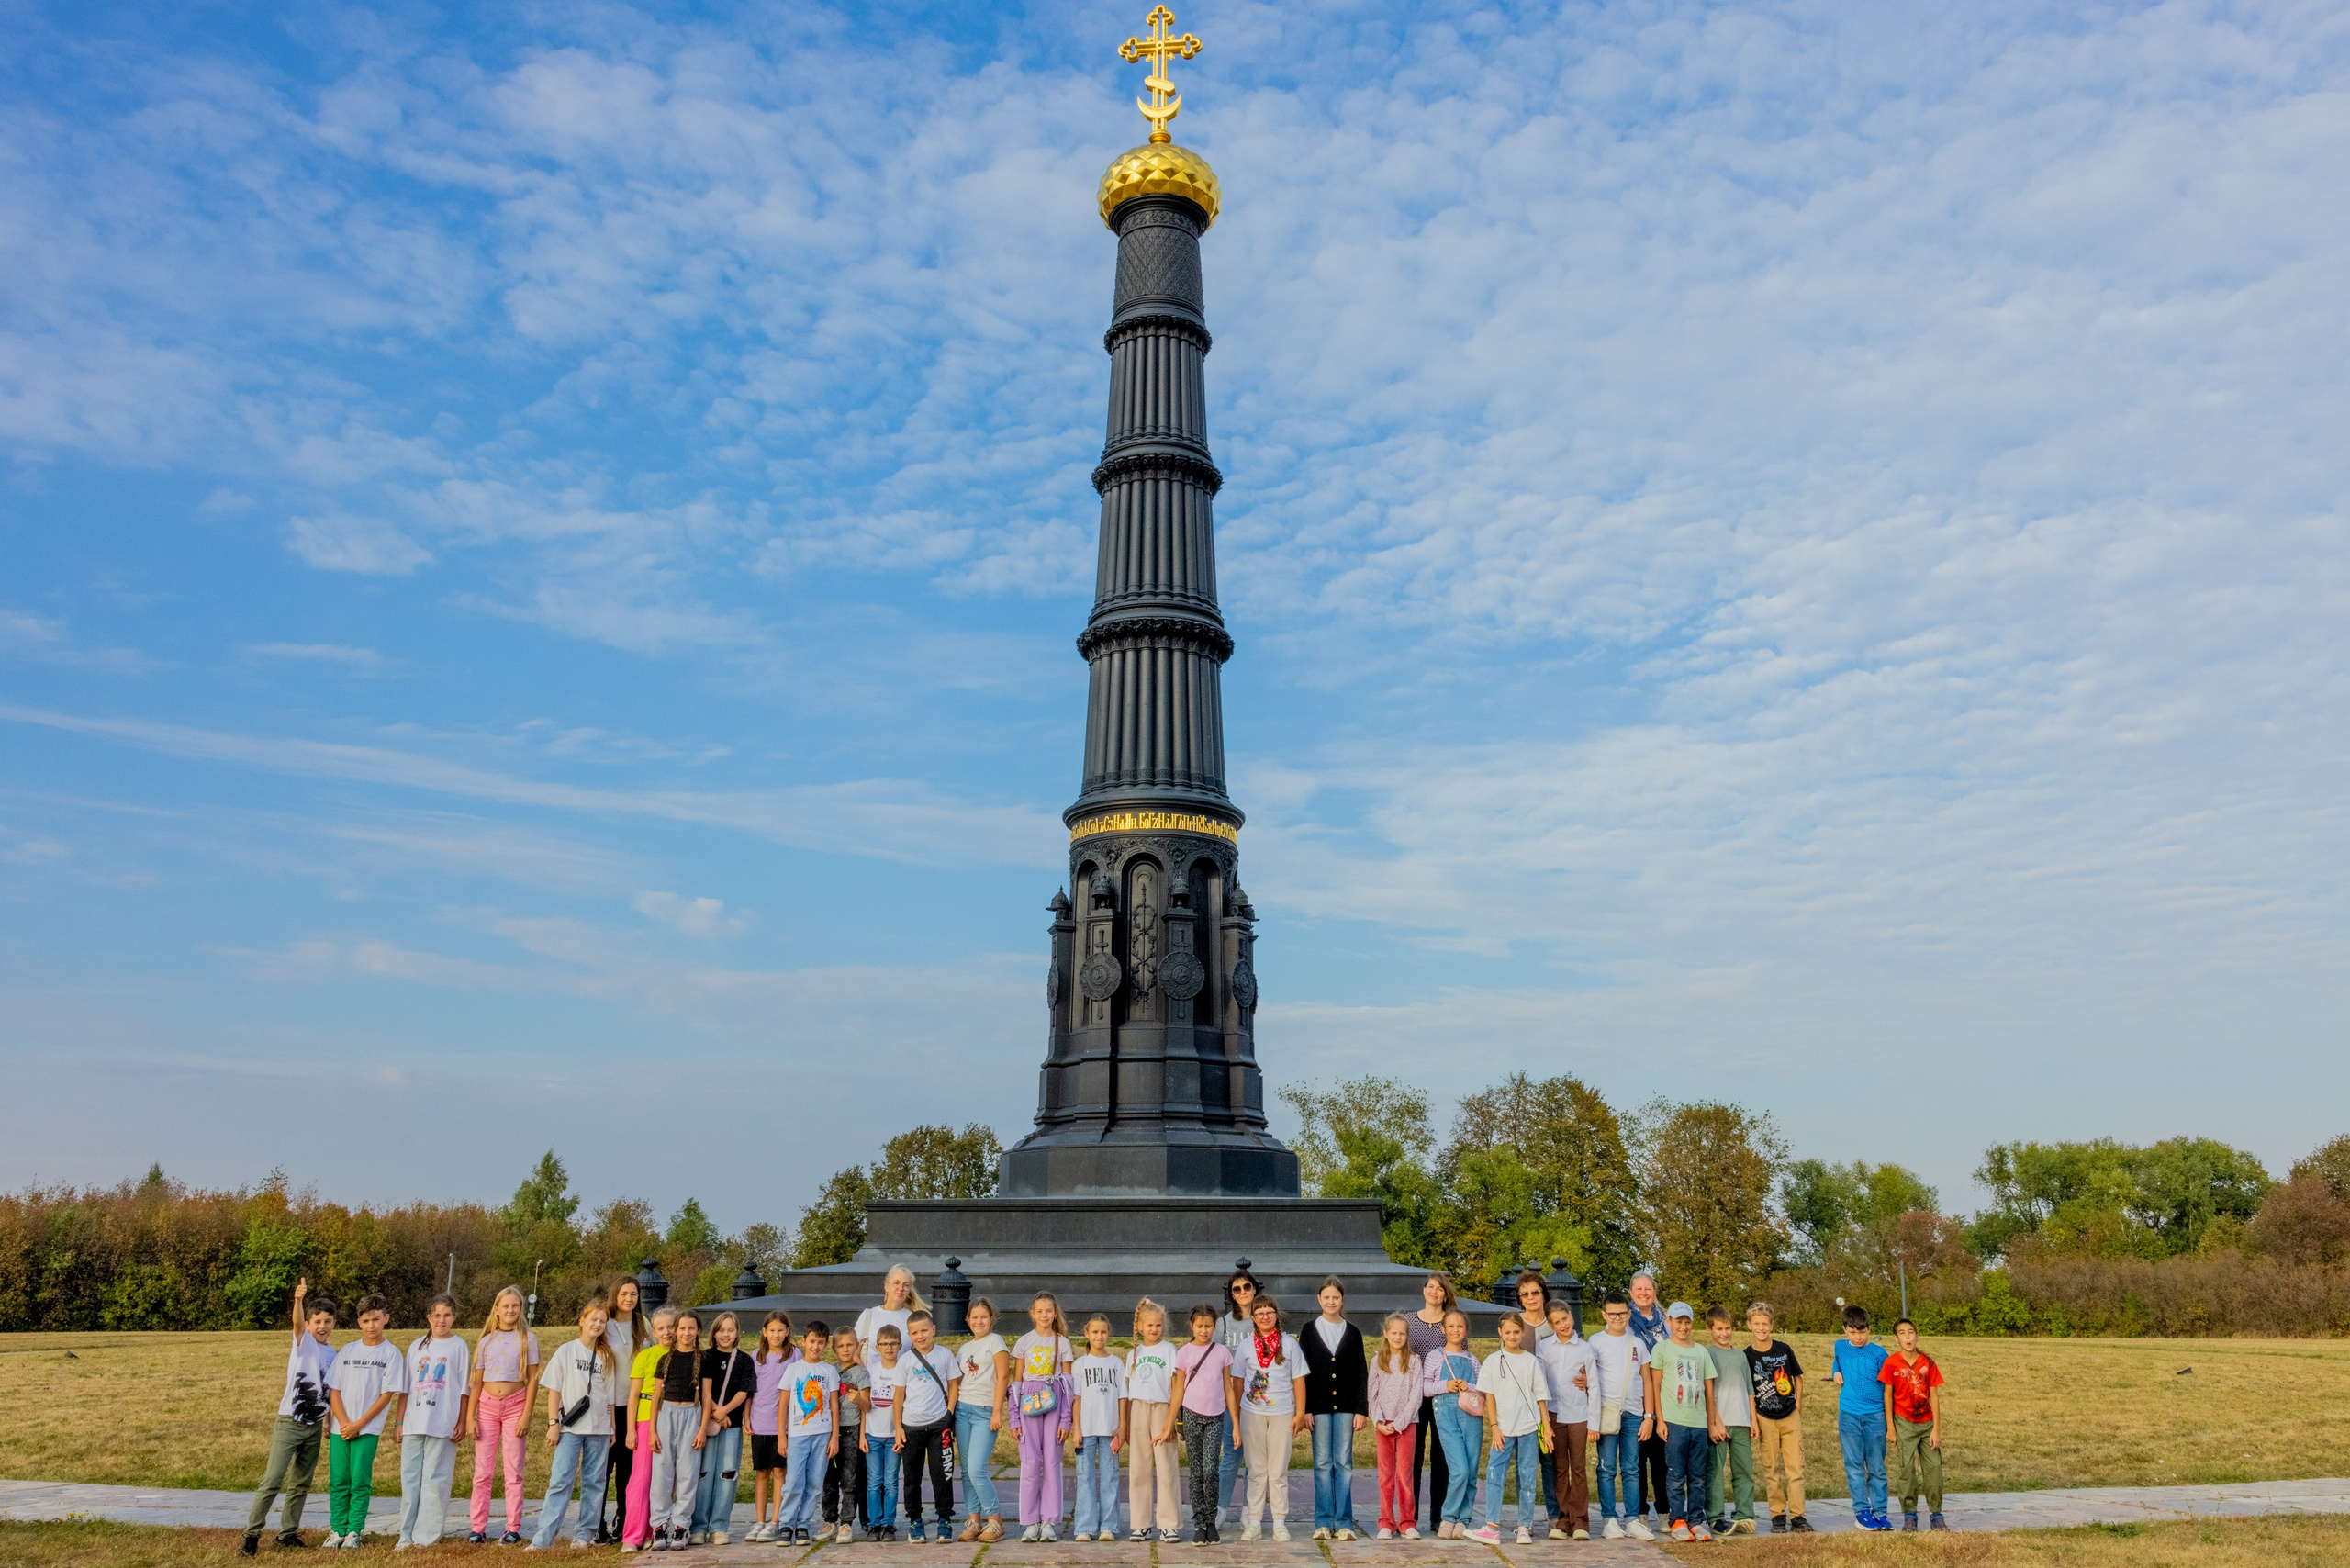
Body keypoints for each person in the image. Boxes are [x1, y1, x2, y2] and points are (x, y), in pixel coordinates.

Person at [241, 1277, 337, 1557]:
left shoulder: (332, 1352)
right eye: (316, 1321)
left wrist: (327, 1422)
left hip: (314, 1425)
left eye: (327, 1322)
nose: (322, 1327)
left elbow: (327, 1390)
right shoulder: (303, 1342)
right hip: (290, 1422)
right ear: (308, 1325)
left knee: (301, 1483)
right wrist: (298, 1300)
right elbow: (295, 1323)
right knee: (272, 1480)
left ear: (333, 1324)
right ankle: (252, 1535)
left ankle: (288, 1534)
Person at [531, 1299, 619, 1551]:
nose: (598, 1324)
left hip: (599, 1429)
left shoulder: (606, 1356)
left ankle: (584, 1534)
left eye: (602, 1321)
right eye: (593, 1319)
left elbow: (610, 1396)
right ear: (582, 1320)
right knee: (560, 1480)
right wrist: (553, 1423)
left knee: (594, 1482)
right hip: (570, 1428)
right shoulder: (566, 1351)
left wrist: (612, 1427)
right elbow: (553, 1391)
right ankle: (544, 1537)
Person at [322, 1293, 406, 1548]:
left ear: (386, 1319)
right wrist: (344, 1422)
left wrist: (359, 1424)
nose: (372, 1325)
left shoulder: (391, 1354)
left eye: (377, 1320)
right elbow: (334, 1390)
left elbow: (386, 1395)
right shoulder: (347, 1351)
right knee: (338, 1480)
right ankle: (337, 1530)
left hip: (367, 1429)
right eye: (366, 1320)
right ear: (359, 1322)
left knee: (359, 1480)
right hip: (340, 1428)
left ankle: (354, 1531)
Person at [1466, 1314, 1550, 1546]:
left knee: (1527, 1476)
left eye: (1516, 1331)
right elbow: (1489, 1397)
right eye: (1508, 1332)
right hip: (1502, 1428)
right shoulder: (1493, 1361)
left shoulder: (1530, 1361)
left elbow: (1540, 1395)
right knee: (1494, 1473)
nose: (1512, 1336)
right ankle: (1491, 1526)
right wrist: (1494, 1427)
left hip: (1529, 1427)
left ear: (1523, 1333)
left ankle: (1524, 1526)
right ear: (1500, 1333)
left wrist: (1547, 1425)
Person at [394, 1292, 471, 1549]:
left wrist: (462, 1421)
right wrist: (399, 1422)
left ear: (454, 1317)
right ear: (429, 1317)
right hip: (415, 1422)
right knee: (411, 1479)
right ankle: (406, 1534)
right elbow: (405, 1387)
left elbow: (463, 1389)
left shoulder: (458, 1346)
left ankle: (426, 1536)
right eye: (437, 1315)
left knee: (435, 1481)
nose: (441, 1320)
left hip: (443, 1422)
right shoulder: (417, 1346)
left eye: (447, 1315)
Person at [468, 1285, 543, 1545]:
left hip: (515, 1406)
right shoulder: (486, 1340)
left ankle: (513, 1527)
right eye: (506, 1306)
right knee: (483, 1472)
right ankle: (478, 1527)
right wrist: (471, 1417)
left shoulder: (527, 1339)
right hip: (487, 1407)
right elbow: (476, 1383)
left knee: (513, 1471)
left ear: (521, 1309)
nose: (511, 1310)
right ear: (497, 1309)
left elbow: (533, 1379)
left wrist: (526, 1415)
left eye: (516, 1306)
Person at [1231, 1294, 1306, 1541]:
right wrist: (1237, 1418)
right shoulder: (1245, 1345)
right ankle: (1254, 1521)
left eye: (1269, 1312)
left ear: (1276, 1315)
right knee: (1255, 1471)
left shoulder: (1290, 1344)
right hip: (1252, 1413)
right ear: (1253, 1318)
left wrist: (1300, 1413)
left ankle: (1279, 1522)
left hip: (1282, 1412)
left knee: (1278, 1470)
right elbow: (1238, 1382)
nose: (1265, 1316)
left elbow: (1298, 1380)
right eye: (1260, 1312)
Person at [1300, 1276, 1367, 1540]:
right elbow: (1302, 1372)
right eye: (1326, 1297)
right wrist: (1304, 1408)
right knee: (1322, 1463)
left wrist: (1362, 1409)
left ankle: (1345, 1522)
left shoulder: (1352, 1332)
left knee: (1344, 1463)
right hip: (1318, 1408)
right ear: (1319, 1300)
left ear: (1342, 1300)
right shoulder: (1309, 1330)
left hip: (1347, 1408)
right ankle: (1324, 1521)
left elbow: (1361, 1372)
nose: (1331, 1301)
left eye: (1335, 1298)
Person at [1649, 1301, 1719, 1541]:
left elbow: (1709, 1391)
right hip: (1674, 1422)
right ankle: (1677, 1519)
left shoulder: (1701, 1351)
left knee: (1697, 1476)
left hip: (1698, 1423)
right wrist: (1660, 1419)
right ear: (1669, 1321)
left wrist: (1711, 1422)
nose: (1683, 1326)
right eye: (1678, 1321)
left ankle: (1696, 1520)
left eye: (1687, 1321)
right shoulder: (1662, 1350)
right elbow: (1656, 1386)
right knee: (1676, 1474)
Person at [1588, 1290, 1655, 1540]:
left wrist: (1649, 1416)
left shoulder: (1637, 1343)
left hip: (1634, 1414)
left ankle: (1633, 1519)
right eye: (1612, 1314)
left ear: (1629, 1314)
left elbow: (1646, 1380)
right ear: (1604, 1314)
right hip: (1607, 1412)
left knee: (1631, 1468)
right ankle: (1609, 1519)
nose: (1618, 1318)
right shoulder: (1595, 1342)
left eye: (1622, 1313)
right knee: (1606, 1468)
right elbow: (1590, 1380)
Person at [1168, 1304, 1237, 1544]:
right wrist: (1170, 1422)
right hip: (1192, 1416)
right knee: (1196, 1472)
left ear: (1214, 1327)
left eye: (1208, 1326)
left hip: (1216, 1416)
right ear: (1192, 1326)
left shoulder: (1222, 1353)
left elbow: (1228, 1388)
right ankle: (1199, 1524)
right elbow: (1178, 1390)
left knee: (1211, 1471)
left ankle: (1211, 1520)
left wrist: (1235, 1423)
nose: (1204, 1331)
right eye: (1200, 1326)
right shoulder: (1184, 1353)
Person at [1741, 1302, 1810, 1533]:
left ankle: (1798, 1516)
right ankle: (1777, 1515)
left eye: (1765, 1324)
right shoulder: (1747, 1356)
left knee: (1796, 1468)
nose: (1761, 1328)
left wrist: (1798, 1404)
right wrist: (1754, 1420)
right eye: (1757, 1323)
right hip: (1764, 1417)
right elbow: (1749, 1391)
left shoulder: (1783, 1349)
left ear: (1772, 1325)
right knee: (1772, 1469)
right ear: (1750, 1325)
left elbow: (1798, 1377)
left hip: (1789, 1415)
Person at [1012, 1293, 1074, 1541]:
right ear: (1032, 1314)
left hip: (1055, 1401)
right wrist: (1014, 1417)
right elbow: (1016, 1382)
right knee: (1030, 1462)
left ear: (1055, 1313)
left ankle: (1049, 1521)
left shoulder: (1063, 1343)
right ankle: (1029, 1522)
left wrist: (1066, 1419)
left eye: (1049, 1311)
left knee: (1052, 1462)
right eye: (1040, 1311)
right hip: (1029, 1401)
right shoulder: (1023, 1342)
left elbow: (1069, 1384)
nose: (1044, 1315)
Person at [895, 1309, 960, 1541]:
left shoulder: (944, 1355)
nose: (920, 1336)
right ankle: (915, 1521)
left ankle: (945, 1519)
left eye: (924, 1330)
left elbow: (954, 1386)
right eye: (914, 1333)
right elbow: (898, 1396)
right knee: (911, 1478)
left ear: (933, 1330)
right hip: (911, 1427)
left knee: (942, 1475)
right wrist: (898, 1428)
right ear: (909, 1335)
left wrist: (949, 1414)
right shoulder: (905, 1360)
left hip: (938, 1427)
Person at [646, 1308, 708, 1551]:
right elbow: (656, 1397)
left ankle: (681, 1526)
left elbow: (707, 1396)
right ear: (675, 1331)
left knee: (687, 1473)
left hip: (691, 1415)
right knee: (661, 1474)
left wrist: (702, 1429)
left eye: (691, 1328)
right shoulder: (665, 1359)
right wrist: (652, 1431)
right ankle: (660, 1526)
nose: (685, 1332)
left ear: (697, 1331)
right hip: (666, 1415)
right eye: (681, 1328)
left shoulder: (703, 1359)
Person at [1880, 1318, 1947, 1532]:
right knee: (1906, 1469)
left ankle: (1936, 1514)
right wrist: (1890, 1427)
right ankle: (1910, 1515)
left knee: (1933, 1469)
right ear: (1896, 1338)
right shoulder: (1892, 1363)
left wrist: (1936, 1429)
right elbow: (1888, 1395)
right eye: (1902, 1333)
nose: (1907, 1337)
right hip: (1904, 1422)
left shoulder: (1928, 1362)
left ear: (1917, 1336)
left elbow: (1934, 1396)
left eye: (1911, 1332)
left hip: (1926, 1423)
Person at [1830, 1304, 1893, 1531]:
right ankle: (1862, 1511)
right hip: (1848, 1416)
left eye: (1863, 1331)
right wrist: (1835, 1372)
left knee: (1877, 1467)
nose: (1858, 1337)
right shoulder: (1839, 1346)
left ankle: (1881, 1512)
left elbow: (1888, 1387)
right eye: (1853, 1332)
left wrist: (1890, 1420)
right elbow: (1837, 1362)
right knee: (1854, 1465)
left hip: (1875, 1416)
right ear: (1844, 1329)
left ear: (1869, 1328)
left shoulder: (1879, 1353)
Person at [598, 1276, 651, 1544]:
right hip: (609, 1405)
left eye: (633, 1294)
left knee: (628, 1470)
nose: (629, 1299)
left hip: (636, 1407)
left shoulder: (644, 1325)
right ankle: (597, 1523)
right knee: (604, 1468)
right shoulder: (604, 1324)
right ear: (614, 1295)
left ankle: (625, 1520)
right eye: (624, 1294)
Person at [694, 1311, 754, 1545]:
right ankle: (698, 1526)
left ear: (737, 1332)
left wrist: (725, 1410)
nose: (726, 1334)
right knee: (704, 1473)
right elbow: (702, 1389)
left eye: (730, 1330)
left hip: (733, 1423)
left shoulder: (744, 1360)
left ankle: (719, 1525)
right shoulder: (705, 1357)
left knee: (727, 1473)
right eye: (721, 1330)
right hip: (707, 1423)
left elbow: (745, 1390)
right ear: (714, 1332)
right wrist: (715, 1412)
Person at [778, 1322, 840, 1548]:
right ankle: (786, 1524)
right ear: (803, 1341)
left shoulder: (829, 1371)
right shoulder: (793, 1370)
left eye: (820, 1342)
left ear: (826, 1344)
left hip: (822, 1434)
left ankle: (803, 1524)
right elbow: (783, 1404)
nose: (815, 1346)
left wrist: (834, 1437)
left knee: (814, 1482)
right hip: (797, 1434)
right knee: (794, 1481)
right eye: (812, 1341)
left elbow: (834, 1405)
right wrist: (782, 1436)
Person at [1124, 1298, 1181, 1542]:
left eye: (1158, 1325)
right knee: (1138, 1469)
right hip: (1138, 1409)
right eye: (1149, 1325)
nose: (1154, 1329)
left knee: (1166, 1467)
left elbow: (1176, 1384)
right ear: (1139, 1327)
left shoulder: (1169, 1350)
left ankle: (1168, 1524)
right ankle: (1141, 1523)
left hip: (1162, 1408)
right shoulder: (1133, 1353)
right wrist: (1124, 1424)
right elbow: (1127, 1392)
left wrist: (1172, 1420)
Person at [954, 1299, 1010, 1543]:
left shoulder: (995, 1342)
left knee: (977, 1469)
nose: (979, 1321)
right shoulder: (964, 1348)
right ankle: (974, 1521)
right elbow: (956, 1382)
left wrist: (997, 1412)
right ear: (967, 1320)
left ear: (991, 1319)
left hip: (985, 1411)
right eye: (974, 1317)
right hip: (963, 1410)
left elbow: (1003, 1376)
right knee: (966, 1471)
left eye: (984, 1317)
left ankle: (995, 1520)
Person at [1423, 1307, 1482, 1540]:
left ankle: (1464, 1519)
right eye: (1451, 1326)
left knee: (1472, 1470)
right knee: (1459, 1469)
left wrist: (1470, 1386)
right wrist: (1446, 1385)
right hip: (1445, 1416)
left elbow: (1484, 1391)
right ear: (1443, 1329)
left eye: (1460, 1326)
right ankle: (1448, 1516)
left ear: (1465, 1330)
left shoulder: (1473, 1360)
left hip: (1472, 1418)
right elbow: (1425, 1388)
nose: (1456, 1330)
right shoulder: (1434, 1356)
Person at [1404, 1272, 1455, 1537]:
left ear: (1445, 1294)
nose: (1434, 1291)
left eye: (1440, 1288)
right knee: (1413, 1457)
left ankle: (1439, 1517)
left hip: (1443, 1399)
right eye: (1430, 1287)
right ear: (1424, 1290)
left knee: (1442, 1457)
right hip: (1414, 1398)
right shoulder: (1410, 1321)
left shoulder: (1452, 1323)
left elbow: (1460, 1358)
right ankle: (1409, 1517)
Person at [622, 1305, 677, 1550]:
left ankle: (653, 1530)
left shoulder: (685, 1354)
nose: (667, 1332)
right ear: (653, 1332)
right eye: (661, 1328)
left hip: (675, 1417)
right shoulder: (645, 1356)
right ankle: (632, 1535)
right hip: (645, 1417)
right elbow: (633, 1395)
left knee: (666, 1480)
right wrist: (631, 1429)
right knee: (642, 1479)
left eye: (671, 1327)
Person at [1214, 1263, 1265, 1525]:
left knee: (1254, 1458)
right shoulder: (1224, 1324)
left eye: (1247, 1286)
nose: (1243, 1291)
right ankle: (1221, 1509)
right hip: (1231, 1400)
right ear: (1232, 1294)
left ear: (1254, 1289)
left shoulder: (1265, 1320)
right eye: (1237, 1289)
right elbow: (1217, 1362)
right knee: (1232, 1456)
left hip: (1259, 1398)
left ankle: (1249, 1509)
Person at [1539, 1297, 1593, 1540]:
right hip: (1553, 1413)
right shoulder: (1544, 1347)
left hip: (1579, 1414)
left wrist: (1594, 1422)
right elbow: (1539, 1381)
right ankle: (1563, 1520)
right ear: (1551, 1325)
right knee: (1560, 1468)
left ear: (1572, 1317)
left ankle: (1581, 1521)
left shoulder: (1585, 1348)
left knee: (1578, 1467)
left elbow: (1595, 1384)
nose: (1563, 1325)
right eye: (1557, 1322)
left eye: (1565, 1319)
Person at [1070, 1313, 1127, 1540]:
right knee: (1084, 1477)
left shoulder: (1116, 1363)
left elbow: (1123, 1397)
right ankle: (1084, 1527)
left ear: (1108, 1333)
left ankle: (1108, 1526)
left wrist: (1122, 1426)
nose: (1099, 1336)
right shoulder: (1080, 1364)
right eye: (1095, 1332)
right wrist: (1076, 1428)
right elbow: (1077, 1399)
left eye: (1103, 1332)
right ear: (1087, 1334)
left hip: (1110, 1430)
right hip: (1087, 1430)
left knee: (1110, 1477)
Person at [1366, 1313, 1422, 1540]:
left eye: (1402, 1333)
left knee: (1404, 1475)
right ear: (1386, 1334)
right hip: (1383, 1426)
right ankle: (1386, 1522)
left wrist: (1400, 1422)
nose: (1398, 1337)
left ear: (1407, 1335)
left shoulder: (1414, 1361)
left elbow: (1416, 1396)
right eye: (1394, 1333)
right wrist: (1379, 1422)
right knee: (1386, 1475)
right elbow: (1372, 1394)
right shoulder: (1378, 1360)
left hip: (1407, 1425)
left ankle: (1407, 1522)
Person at [1703, 1306, 1756, 1536]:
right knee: (1715, 1471)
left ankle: (1745, 1514)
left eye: (1728, 1328)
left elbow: (1750, 1391)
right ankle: (1715, 1516)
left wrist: (1753, 1421)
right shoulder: (1707, 1354)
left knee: (1743, 1470)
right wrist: (1714, 1422)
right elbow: (1708, 1392)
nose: (1725, 1333)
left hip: (1742, 1421)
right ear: (1709, 1329)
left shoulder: (1740, 1355)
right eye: (1720, 1329)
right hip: (1719, 1423)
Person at [745, 1312, 797, 1541]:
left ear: (787, 1332)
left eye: (780, 1330)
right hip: (759, 1422)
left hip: (783, 1426)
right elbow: (749, 1391)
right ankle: (759, 1521)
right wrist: (746, 1417)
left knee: (779, 1472)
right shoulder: (755, 1356)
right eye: (772, 1330)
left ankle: (776, 1520)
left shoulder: (795, 1355)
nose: (776, 1335)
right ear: (764, 1332)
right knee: (761, 1472)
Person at [1626, 1271, 1670, 1529]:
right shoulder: (1626, 1320)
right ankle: (1640, 1512)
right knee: (1637, 1459)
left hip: (1664, 1397)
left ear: (1654, 1292)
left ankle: (1664, 1512)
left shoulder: (1666, 1322)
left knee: (1662, 1460)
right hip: (1636, 1397)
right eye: (1639, 1289)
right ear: (1631, 1292)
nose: (1644, 1293)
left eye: (1648, 1289)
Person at [825, 1326, 872, 1541]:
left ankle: (846, 1522)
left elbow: (868, 1407)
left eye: (849, 1345)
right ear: (834, 1348)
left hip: (852, 1429)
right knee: (829, 1478)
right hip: (830, 1430)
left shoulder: (861, 1373)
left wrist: (859, 1400)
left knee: (849, 1478)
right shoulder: (828, 1371)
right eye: (841, 1345)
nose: (845, 1349)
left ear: (856, 1346)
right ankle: (829, 1520)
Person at [863, 1323, 907, 1541]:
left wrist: (901, 1432)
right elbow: (863, 1405)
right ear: (877, 1346)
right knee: (873, 1481)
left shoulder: (903, 1368)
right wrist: (862, 1434)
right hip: (872, 1434)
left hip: (893, 1436)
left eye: (893, 1343)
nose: (889, 1348)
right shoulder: (871, 1370)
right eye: (884, 1344)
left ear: (900, 1345)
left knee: (890, 1481)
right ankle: (874, 1523)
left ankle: (889, 1524)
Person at [856, 1264, 926, 1365]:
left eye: (906, 1285)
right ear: (886, 1287)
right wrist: (865, 1378)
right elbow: (854, 1353)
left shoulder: (913, 1319)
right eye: (896, 1283)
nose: (900, 1288)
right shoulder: (868, 1315)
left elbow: (917, 1356)